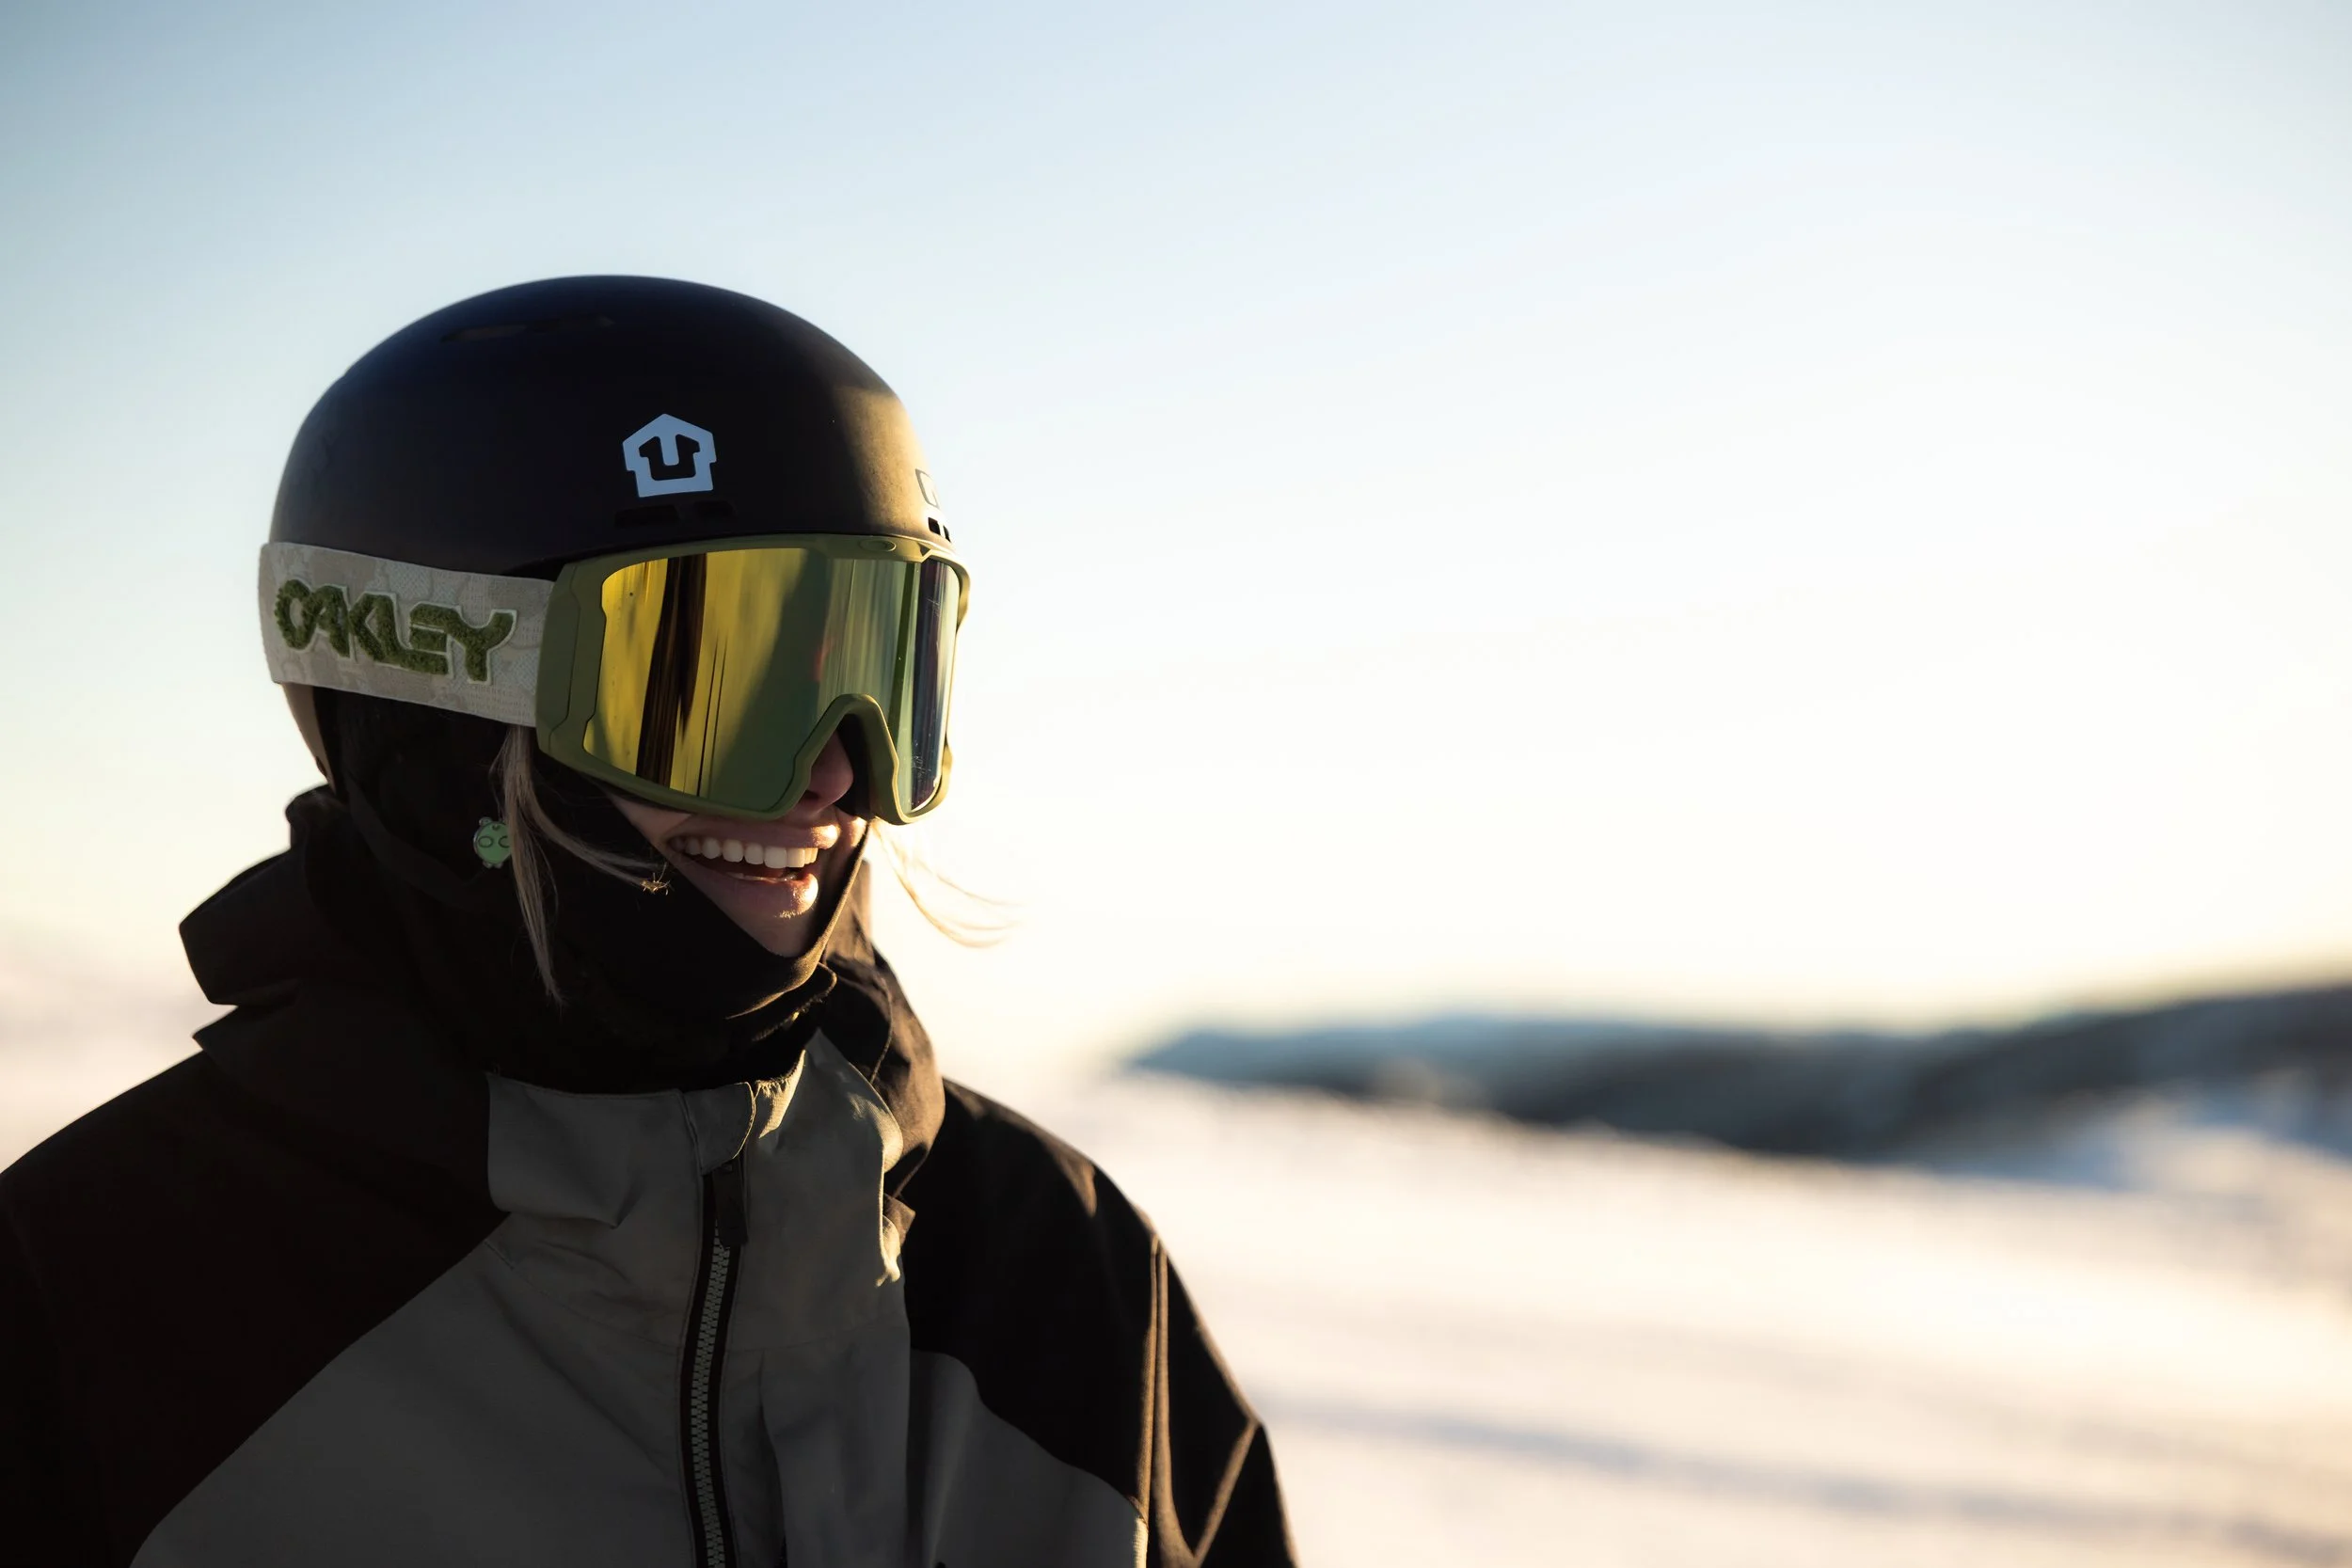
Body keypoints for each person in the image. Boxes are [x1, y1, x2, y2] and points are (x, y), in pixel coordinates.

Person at [0, 277, 1296, 1567]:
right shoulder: (97, 1302)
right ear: (437, 716)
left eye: (878, 669)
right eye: (710, 685)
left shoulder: (1063, 1276)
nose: (834, 774)